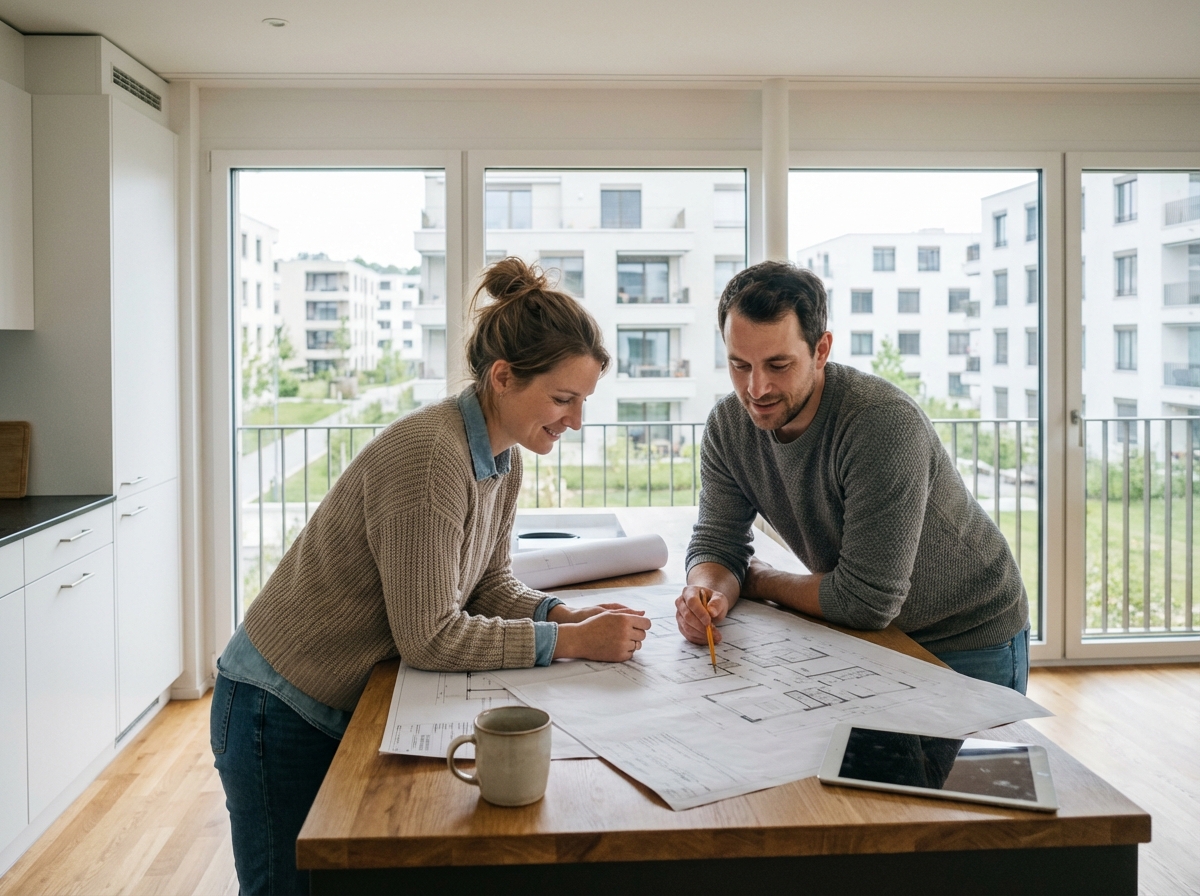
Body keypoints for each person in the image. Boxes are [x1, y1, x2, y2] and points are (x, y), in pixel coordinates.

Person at [212, 257, 651, 896]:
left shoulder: (504, 457)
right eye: (563, 398)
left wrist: (559, 615)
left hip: (331, 699)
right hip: (274, 704)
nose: (576, 421)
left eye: (583, 401)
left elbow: (489, 585)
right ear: (503, 377)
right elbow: (430, 636)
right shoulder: (429, 458)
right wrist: (572, 644)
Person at [675, 261, 1030, 693]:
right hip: (870, 634)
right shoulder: (728, 426)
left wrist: (759, 580)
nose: (757, 389)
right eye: (740, 365)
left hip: (967, 636)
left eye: (778, 365)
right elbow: (717, 542)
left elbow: (865, 601)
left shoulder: (881, 423)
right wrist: (706, 595)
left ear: (821, 350)